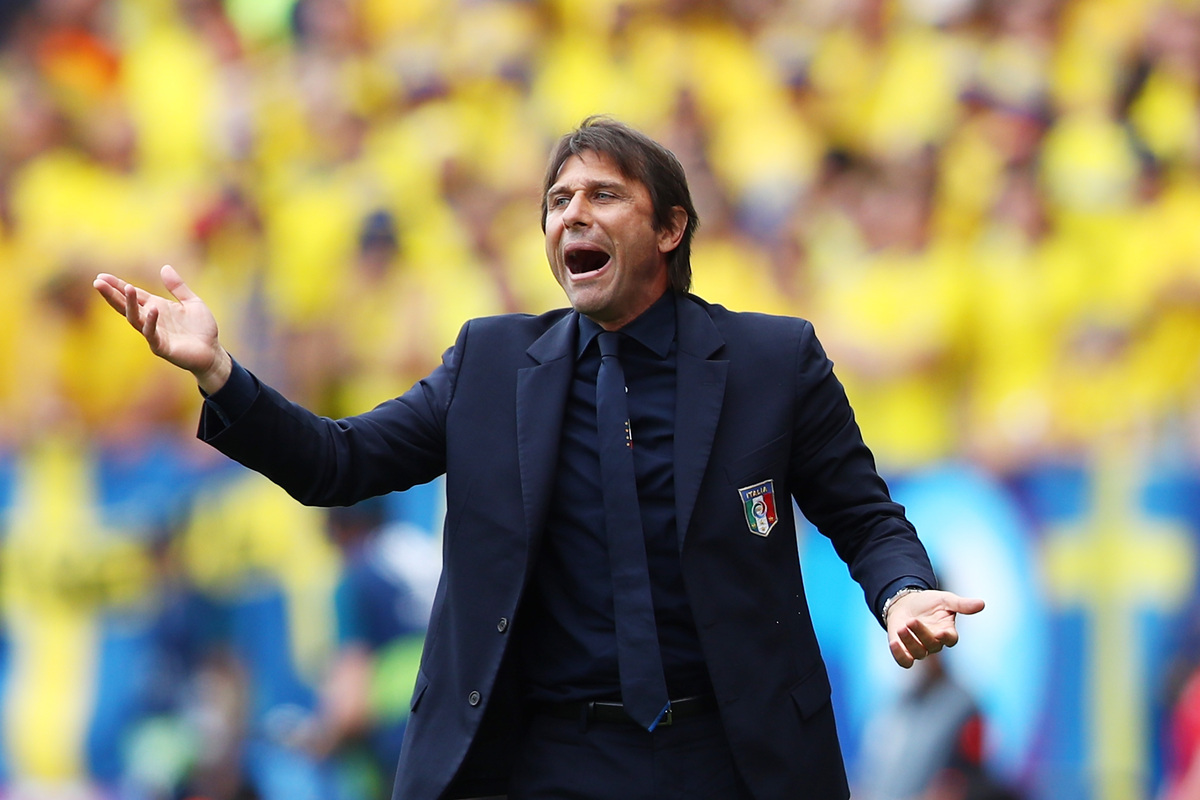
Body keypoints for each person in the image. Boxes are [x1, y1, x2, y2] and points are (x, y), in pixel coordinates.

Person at [94, 116, 984, 800]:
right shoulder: (488, 365)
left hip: (728, 754)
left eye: (603, 195)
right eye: (558, 202)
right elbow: (339, 462)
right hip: (544, 757)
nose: (573, 215)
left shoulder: (771, 361)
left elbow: (864, 516)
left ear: (671, 227)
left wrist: (902, 590)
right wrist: (219, 373)